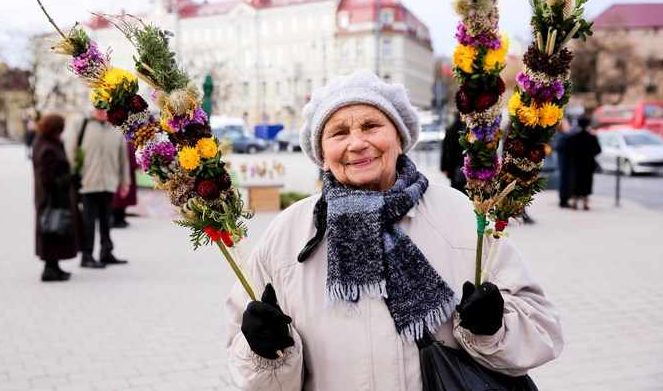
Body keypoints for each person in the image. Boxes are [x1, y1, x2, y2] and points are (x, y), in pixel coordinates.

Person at [225, 70, 563, 390]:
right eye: (339, 132)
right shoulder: (287, 233)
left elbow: (542, 330)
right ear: (322, 155)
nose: (356, 143)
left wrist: (494, 329)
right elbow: (251, 375)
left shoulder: (462, 216)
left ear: (400, 138)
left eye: (371, 126)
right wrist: (264, 353)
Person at [65, 108, 131, 268]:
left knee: (106, 220)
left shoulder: (115, 127)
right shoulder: (80, 125)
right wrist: (72, 178)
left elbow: (123, 157)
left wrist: (124, 181)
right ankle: (87, 256)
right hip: (87, 183)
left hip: (108, 182)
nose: (101, 111)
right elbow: (69, 151)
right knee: (88, 222)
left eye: (104, 108)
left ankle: (106, 252)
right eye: (98, 108)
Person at [32, 113, 85, 281]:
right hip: (53, 198)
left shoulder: (43, 143)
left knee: (53, 229)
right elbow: (47, 179)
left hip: (50, 197)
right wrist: (70, 179)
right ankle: (49, 269)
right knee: (53, 228)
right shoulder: (48, 148)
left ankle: (53, 266)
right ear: (55, 130)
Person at [566, 117, 602, 210]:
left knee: (575, 182)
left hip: (575, 163)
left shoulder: (573, 137)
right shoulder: (591, 137)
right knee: (586, 183)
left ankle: (574, 202)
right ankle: (585, 203)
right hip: (588, 163)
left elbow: (568, 150)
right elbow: (598, 150)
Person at [112, 142, 138, 228]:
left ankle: (121, 218)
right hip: (119, 171)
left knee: (123, 198)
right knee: (118, 198)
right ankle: (116, 219)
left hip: (127, 171)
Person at [440, 110, 467, 194]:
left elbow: (444, 149)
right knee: (464, 193)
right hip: (462, 167)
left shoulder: (450, 129)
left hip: (452, 167)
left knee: (455, 191)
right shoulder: (464, 129)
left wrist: (443, 167)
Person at [553, 118, 573, 208]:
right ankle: (564, 199)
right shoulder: (563, 136)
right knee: (564, 180)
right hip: (565, 162)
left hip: (563, 161)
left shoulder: (561, 136)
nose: (569, 126)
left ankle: (564, 198)